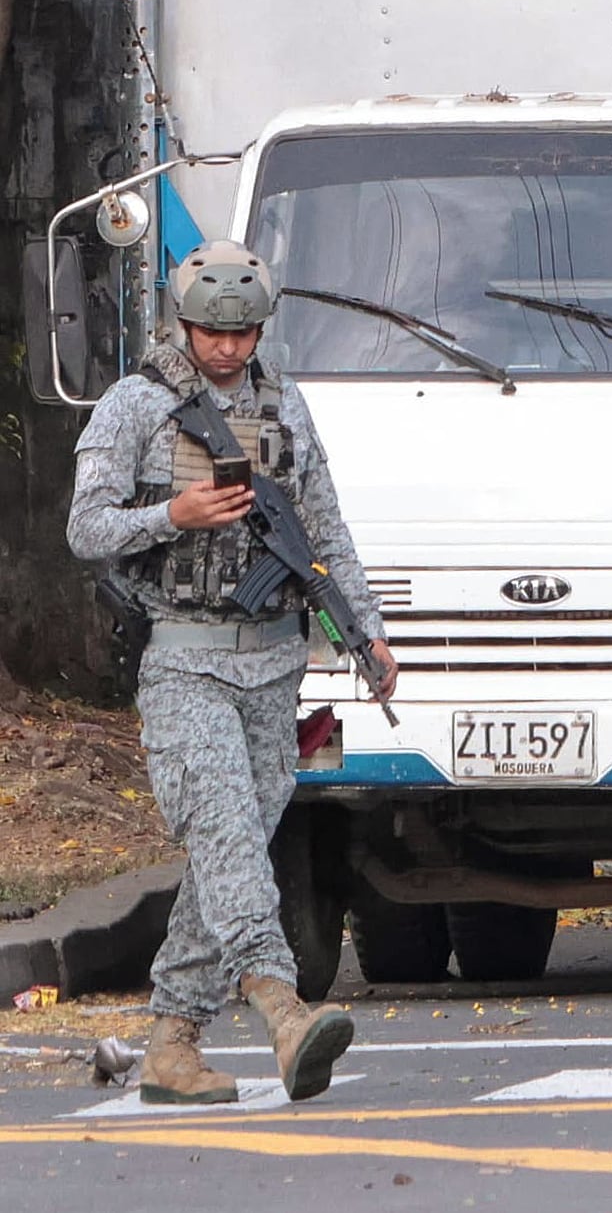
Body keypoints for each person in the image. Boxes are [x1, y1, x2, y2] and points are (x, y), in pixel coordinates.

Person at [67, 241, 395, 1106]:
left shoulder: (284, 406)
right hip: (183, 662)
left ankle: (174, 1044)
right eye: (214, 332)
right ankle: (281, 1006)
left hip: (275, 664)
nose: (229, 349)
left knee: (229, 851)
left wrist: (367, 634)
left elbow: (324, 531)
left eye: (244, 332)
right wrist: (171, 514)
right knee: (228, 835)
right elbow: (86, 528)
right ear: (183, 324)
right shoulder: (135, 406)